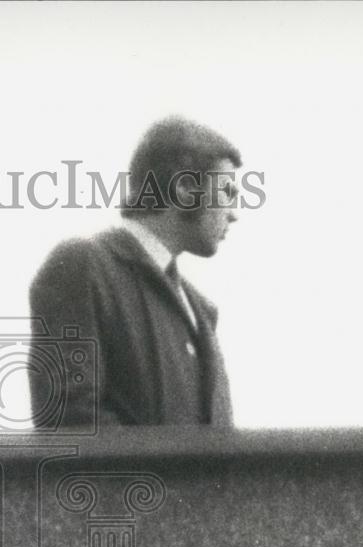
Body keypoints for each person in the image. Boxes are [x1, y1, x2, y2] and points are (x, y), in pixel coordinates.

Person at [29, 116, 238, 430]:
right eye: (227, 192)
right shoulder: (84, 267)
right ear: (184, 189)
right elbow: (70, 423)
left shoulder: (200, 310)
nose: (234, 214)